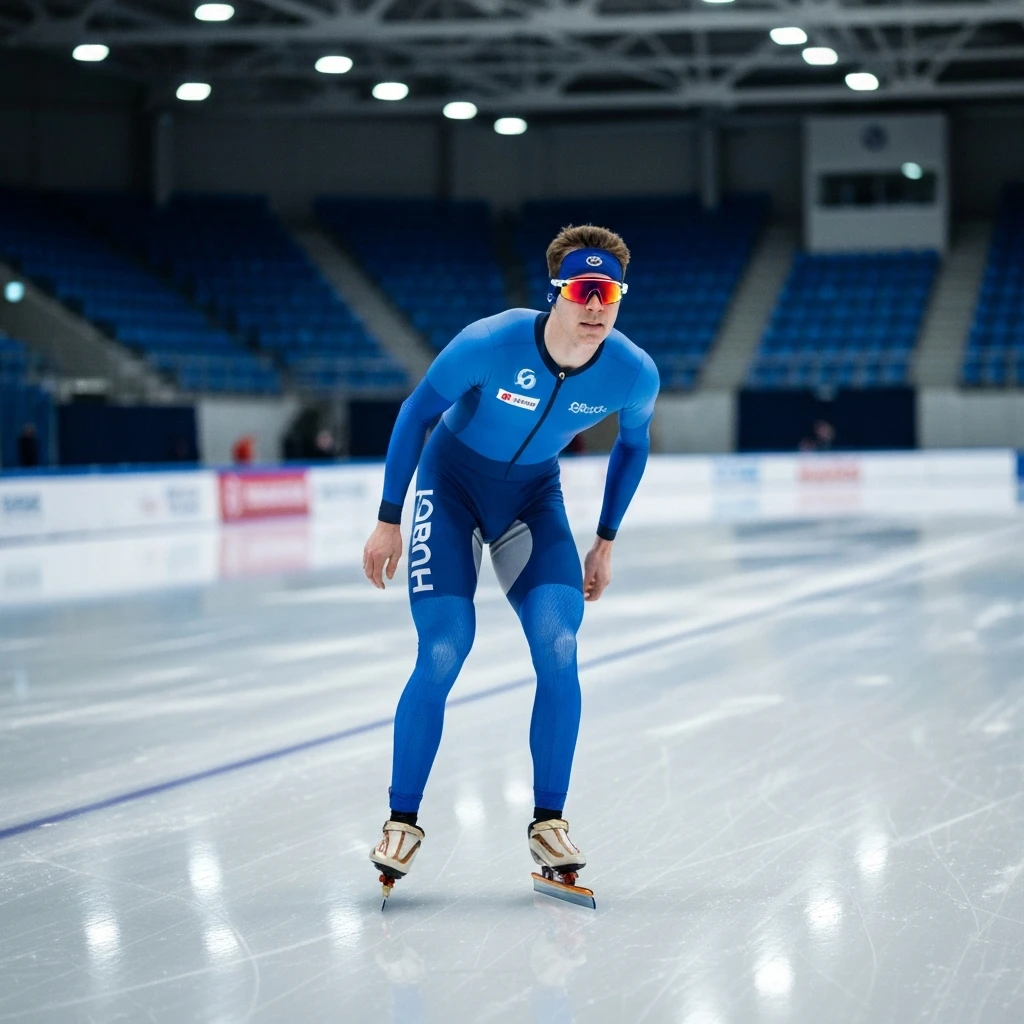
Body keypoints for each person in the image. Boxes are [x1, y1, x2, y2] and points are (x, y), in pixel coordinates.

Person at [363, 224, 660, 898]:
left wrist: (605, 539)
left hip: (532, 498)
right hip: (452, 490)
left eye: (610, 293)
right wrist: (388, 518)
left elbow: (634, 445)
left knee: (560, 642)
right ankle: (401, 821)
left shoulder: (632, 372)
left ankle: (549, 822)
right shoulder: (489, 343)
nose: (596, 307)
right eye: (584, 290)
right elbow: (416, 413)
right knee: (445, 646)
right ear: (557, 292)